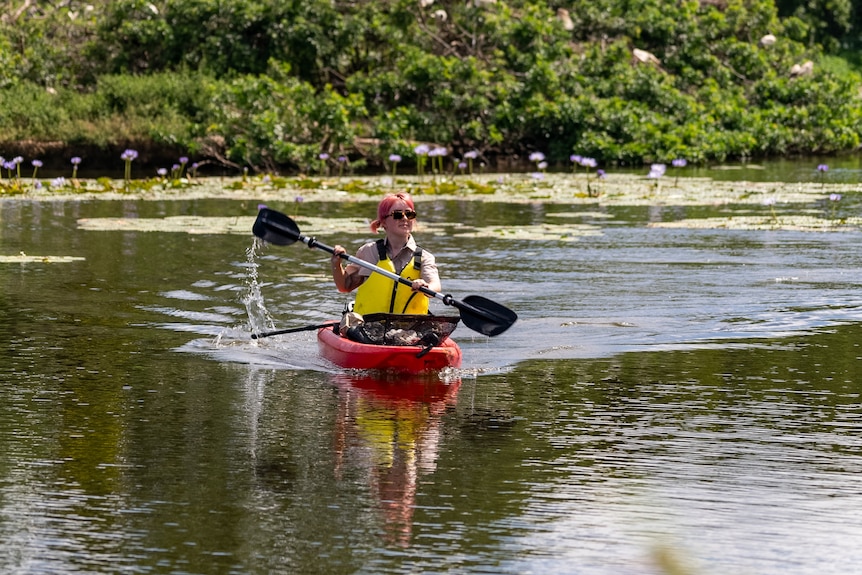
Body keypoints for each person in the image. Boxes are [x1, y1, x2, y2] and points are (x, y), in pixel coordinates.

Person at [331, 192, 441, 316]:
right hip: (369, 327)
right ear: (383, 222)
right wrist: (336, 264)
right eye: (398, 214)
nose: (405, 218)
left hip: (410, 329)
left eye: (409, 214)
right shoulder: (368, 252)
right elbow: (344, 286)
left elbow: (435, 285)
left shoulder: (424, 257)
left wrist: (425, 285)